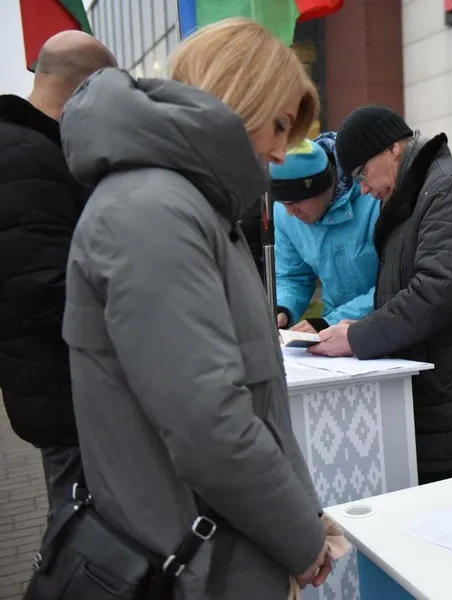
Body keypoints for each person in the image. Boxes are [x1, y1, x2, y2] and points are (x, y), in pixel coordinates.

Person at [58, 18, 330, 598]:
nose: (282, 151)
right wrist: (300, 540)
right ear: (239, 93)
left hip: (212, 550)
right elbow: (210, 425)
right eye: (280, 124)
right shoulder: (153, 211)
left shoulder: (184, 206)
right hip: (195, 564)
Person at [307, 105, 452, 484]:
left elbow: (436, 292)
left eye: (362, 174)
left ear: (393, 148)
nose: (362, 188)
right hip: (431, 392)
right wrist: (361, 323)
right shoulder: (415, 191)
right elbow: (403, 286)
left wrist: (356, 338)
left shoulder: (449, 188)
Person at [0, 31, 117, 518]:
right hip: (67, 394)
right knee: (87, 543)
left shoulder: (30, 148)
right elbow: (47, 290)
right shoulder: (26, 157)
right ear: (86, 89)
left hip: (57, 388)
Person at [272, 132, 379, 332]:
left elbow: (395, 284)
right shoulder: (284, 213)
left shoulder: (375, 196)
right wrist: (283, 309)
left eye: (296, 202)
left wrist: (329, 323)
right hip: (333, 331)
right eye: (283, 203)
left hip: (386, 325)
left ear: (325, 185)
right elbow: (292, 276)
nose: (290, 212)